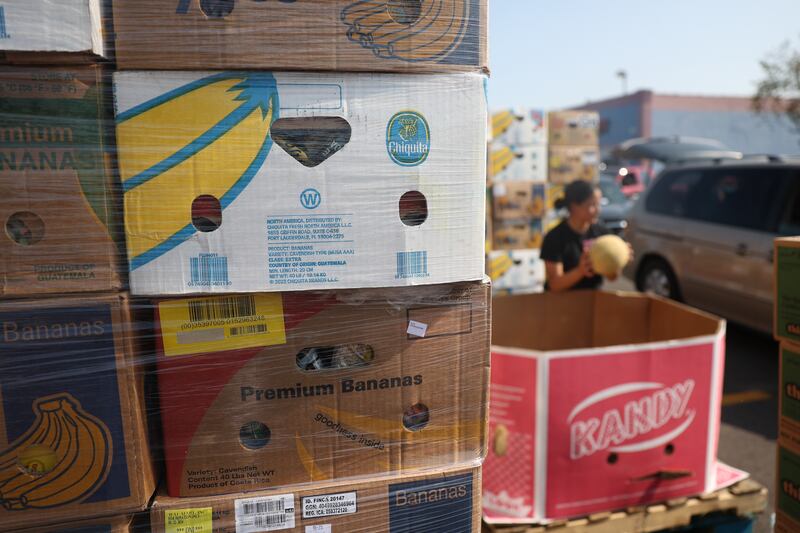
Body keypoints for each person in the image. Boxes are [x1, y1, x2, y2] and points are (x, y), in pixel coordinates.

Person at [541, 180, 624, 292]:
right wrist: (580, 271)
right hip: (561, 304)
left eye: (598, 204)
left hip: (592, 302)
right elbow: (555, 285)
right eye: (592, 205)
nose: (597, 210)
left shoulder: (602, 233)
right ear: (574, 206)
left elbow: (613, 277)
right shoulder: (554, 238)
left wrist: (620, 257)